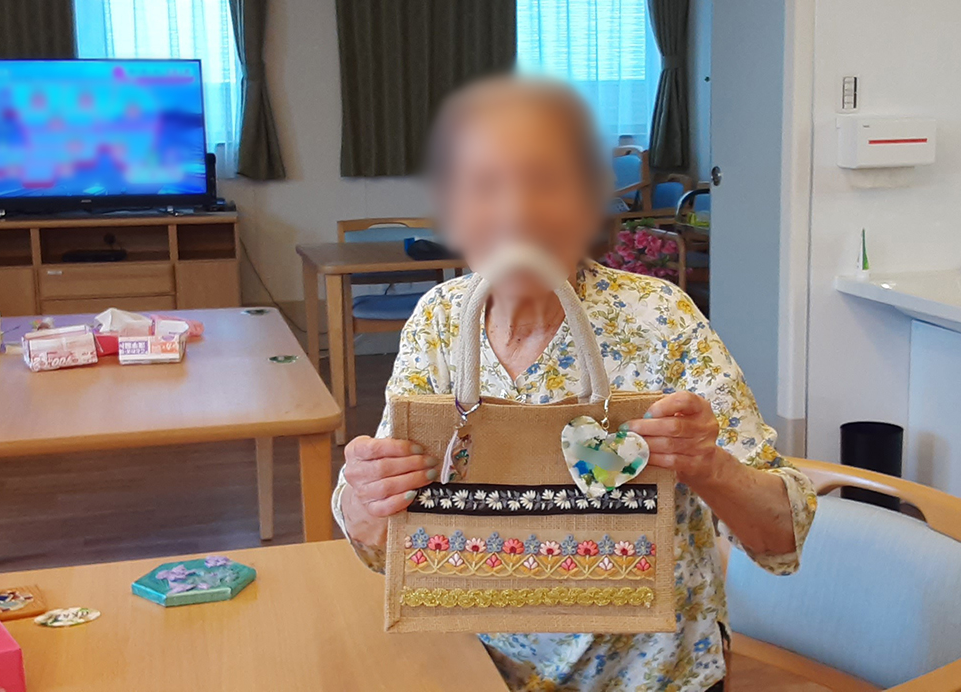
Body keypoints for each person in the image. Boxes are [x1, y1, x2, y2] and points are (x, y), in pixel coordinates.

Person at [332, 77, 817, 692]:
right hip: (482, 667)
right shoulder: (439, 320)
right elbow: (380, 540)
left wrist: (707, 465)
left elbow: (780, 533)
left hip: (653, 677)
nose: (516, 212)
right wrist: (366, 496)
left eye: (546, 182)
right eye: (484, 186)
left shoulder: (660, 319)